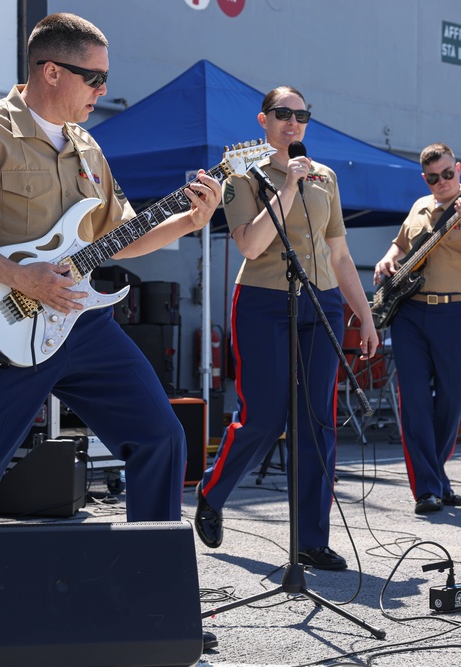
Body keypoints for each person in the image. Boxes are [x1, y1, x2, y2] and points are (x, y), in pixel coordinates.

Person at [0, 13, 221, 653]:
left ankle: (149, 595)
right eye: (93, 78)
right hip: (7, 324)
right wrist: (20, 277)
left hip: (85, 324)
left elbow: (118, 236)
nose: (102, 91)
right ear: (51, 71)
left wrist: (185, 220)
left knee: (160, 437)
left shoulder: (88, 147)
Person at [193, 86, 379, 571]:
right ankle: (212, 493)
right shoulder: (242, 174)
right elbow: (251, 244)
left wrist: (365, 313)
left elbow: (338, 253)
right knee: (265, 415)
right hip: (263, 300)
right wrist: (289, 186)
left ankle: (311, 539)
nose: (292, 122)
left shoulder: (326, 176)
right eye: (283, 114)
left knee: (317, 419)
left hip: (323, 303)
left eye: (301, 115)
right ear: (263, 120)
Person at [373, 143, 461, 515]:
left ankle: (438, 478)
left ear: (459, 170)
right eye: (433, 178)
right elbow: (399, 246)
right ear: (425, 178)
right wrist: (387, 259)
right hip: (410, 314)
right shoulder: (419, 207)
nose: (442, 182)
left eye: (448, 174)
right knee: (414, 400)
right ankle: (427, 489)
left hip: (456, 312)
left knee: (451, 398)